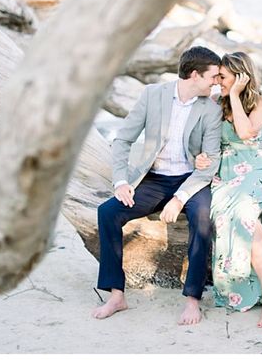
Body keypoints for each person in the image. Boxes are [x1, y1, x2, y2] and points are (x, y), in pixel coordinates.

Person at [92, 46, 222, 325]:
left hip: (191, 180)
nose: (216, 82)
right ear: (195, 74)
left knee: (202, 218)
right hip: (153, 178)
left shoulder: (210, 110)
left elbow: (210, 161)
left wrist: (180, 198)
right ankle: (116, 294)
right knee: (107, 213)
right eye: (213, 77)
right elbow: (123, 139)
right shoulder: (153, 95)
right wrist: (122, 181)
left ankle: (192, 300)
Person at [195, 52, 262, 327]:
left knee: (244, 215)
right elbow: (202, 141)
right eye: (217, 76)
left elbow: (245, 132)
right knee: (232, 220)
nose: (218, 81)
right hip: (224, 175)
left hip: (256, 170)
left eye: (223, 77)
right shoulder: (214, 103)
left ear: (241, 76)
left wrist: (235, 96)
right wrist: (200, 157)